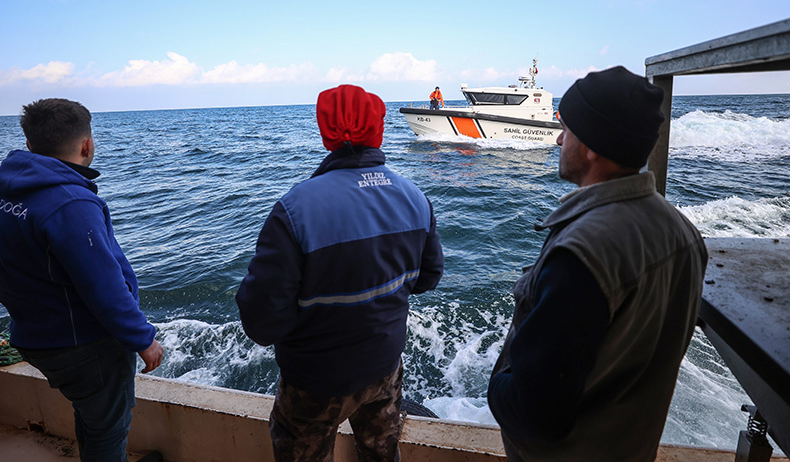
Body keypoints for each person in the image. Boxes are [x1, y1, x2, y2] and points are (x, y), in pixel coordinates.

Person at [487, 67, 707, 462]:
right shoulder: (684, 233)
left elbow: (536, 413)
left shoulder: (581, 254)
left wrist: (496, 387)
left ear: (591, 145)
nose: (557, 138)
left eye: (566, 129)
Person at [237, 84, 444, 462]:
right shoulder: (415, 197)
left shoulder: (294, 209)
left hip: (314, 381)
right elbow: (428, 278)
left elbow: (261, 321)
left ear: (325, 130)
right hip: (384, 368)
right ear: (377, 127)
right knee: (380, 454)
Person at [0, 98, 164, 462]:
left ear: (30, 144)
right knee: (109, 431)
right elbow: (103, 285)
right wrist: (143, 339)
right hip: (84, 345)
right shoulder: (69, 203)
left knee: (93, 417)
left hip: (35, 335)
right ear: (86, 145)